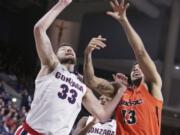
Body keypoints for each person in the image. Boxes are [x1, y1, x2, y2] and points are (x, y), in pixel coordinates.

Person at [14, 0, 127, 135]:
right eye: (63, 49)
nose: (68, 49)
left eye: (70, 49)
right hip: (32, 132)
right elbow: (39, 29)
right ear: (55, 55)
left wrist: (121, 91)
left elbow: (103, 115)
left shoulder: (83, 88)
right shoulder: (52, 66)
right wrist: (62, 3)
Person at [83, 0, 163, 134]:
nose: (136, 69)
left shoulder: (153, 87)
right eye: (133, 69)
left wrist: (124, 21)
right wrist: (87, 54)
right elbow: (91, 81)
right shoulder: (120, 91)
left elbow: (140, 52)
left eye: (140, 68)